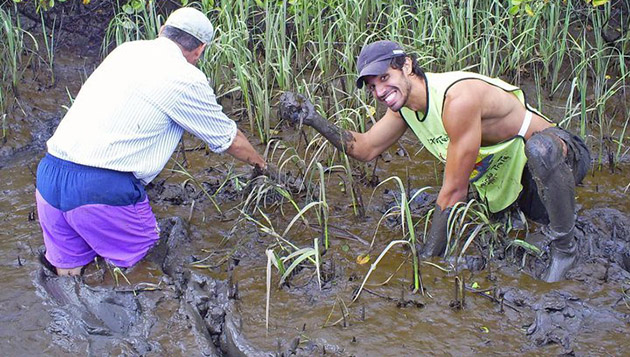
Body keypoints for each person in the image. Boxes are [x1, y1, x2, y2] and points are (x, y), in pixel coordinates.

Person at [279, 40, 590, 282]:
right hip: (515, 185)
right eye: (373, 86)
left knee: (540, 150)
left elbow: (454, 192)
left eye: (385, 78)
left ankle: (566, 250)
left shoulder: (457, 99)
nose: (380, 91)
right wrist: (314, 119)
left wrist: (427, 260)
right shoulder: (404, 109)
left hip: (560, 158)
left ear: (407, 66)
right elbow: (363, 148)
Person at [35, 7, 268, 276]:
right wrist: (263, 165)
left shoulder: (125, 51)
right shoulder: (186, 77)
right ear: (200, 50)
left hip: (49, 179)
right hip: (102, 188)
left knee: (70, 284)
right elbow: (230, 140)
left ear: (162, 31)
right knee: (146, 275)